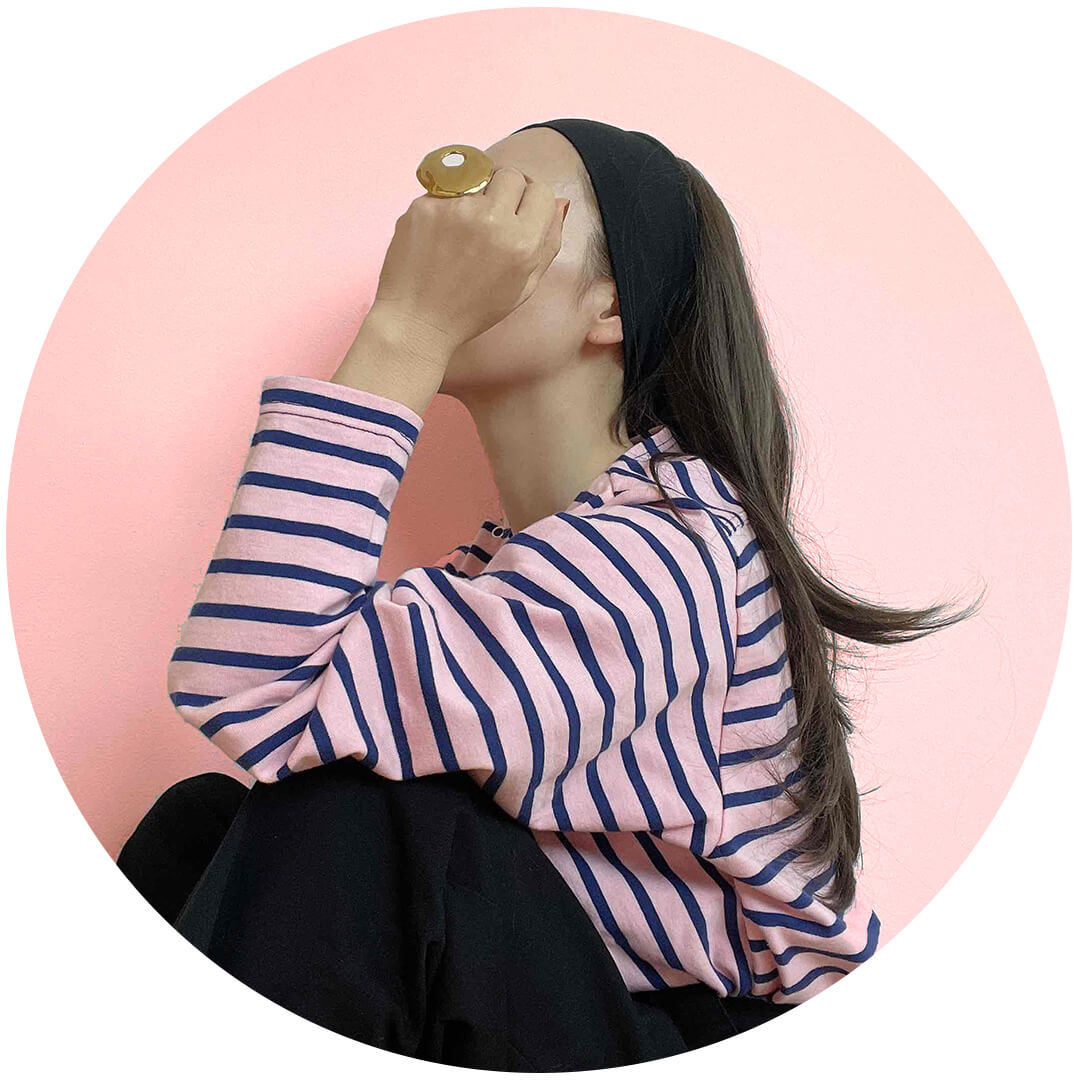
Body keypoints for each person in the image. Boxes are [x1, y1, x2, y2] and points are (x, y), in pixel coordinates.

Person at [123, 119, 984, 1069]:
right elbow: (276, 691)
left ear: (610, 309)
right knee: (201, 825)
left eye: (515, 208)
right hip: (590, 1002)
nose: (457, 230)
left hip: (704, 1036)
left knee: (357, 812)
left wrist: (406, 330)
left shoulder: (665, 555)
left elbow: (257, 684)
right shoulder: (529, 564)